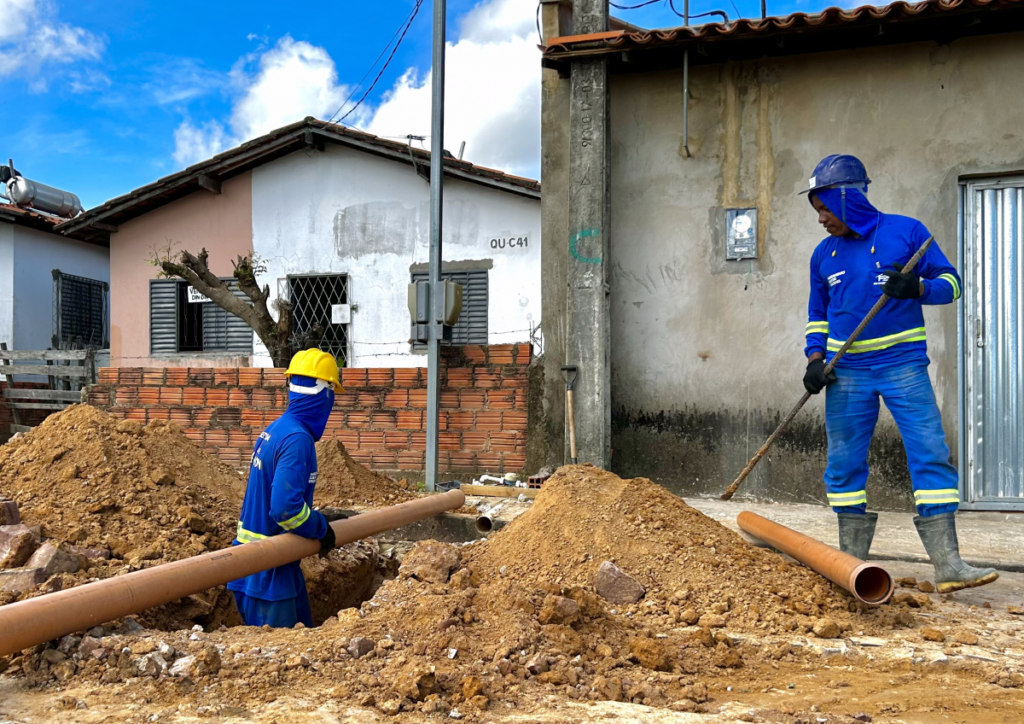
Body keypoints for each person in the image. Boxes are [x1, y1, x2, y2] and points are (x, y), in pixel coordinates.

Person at [801, 154, 997, 594]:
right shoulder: (823, 255)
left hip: (903, 367)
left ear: (847, 199)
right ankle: (851, 567)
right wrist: (815, 360)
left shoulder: (906, 232)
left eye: (825, 208)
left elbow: (954, 283)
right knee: (844, 463)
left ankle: (949, 565)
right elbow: (818, 314)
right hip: (845, 373)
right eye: (817, 211)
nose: (821, 219)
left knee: (929, 451)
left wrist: (919, 288)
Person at [227, 349, 347, 627]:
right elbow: (284, 508)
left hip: (269, 568)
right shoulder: (296, 440)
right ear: (325, 394)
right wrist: (321, 527)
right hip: (269, 578)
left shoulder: (278, 429)